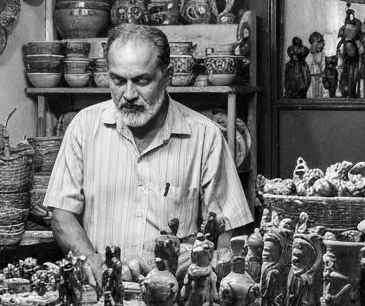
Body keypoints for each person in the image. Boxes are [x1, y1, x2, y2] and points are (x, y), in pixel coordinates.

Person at [44, 24, 252, 284]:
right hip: (103, 291)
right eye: (118, 81)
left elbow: (230, 230)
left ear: (167, 76)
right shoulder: (84, 127)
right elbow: (62, 215)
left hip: (173, 293)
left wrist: (205, 261)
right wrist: (90, 259)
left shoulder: (206, 137)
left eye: (142, 81)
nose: (129, 94)